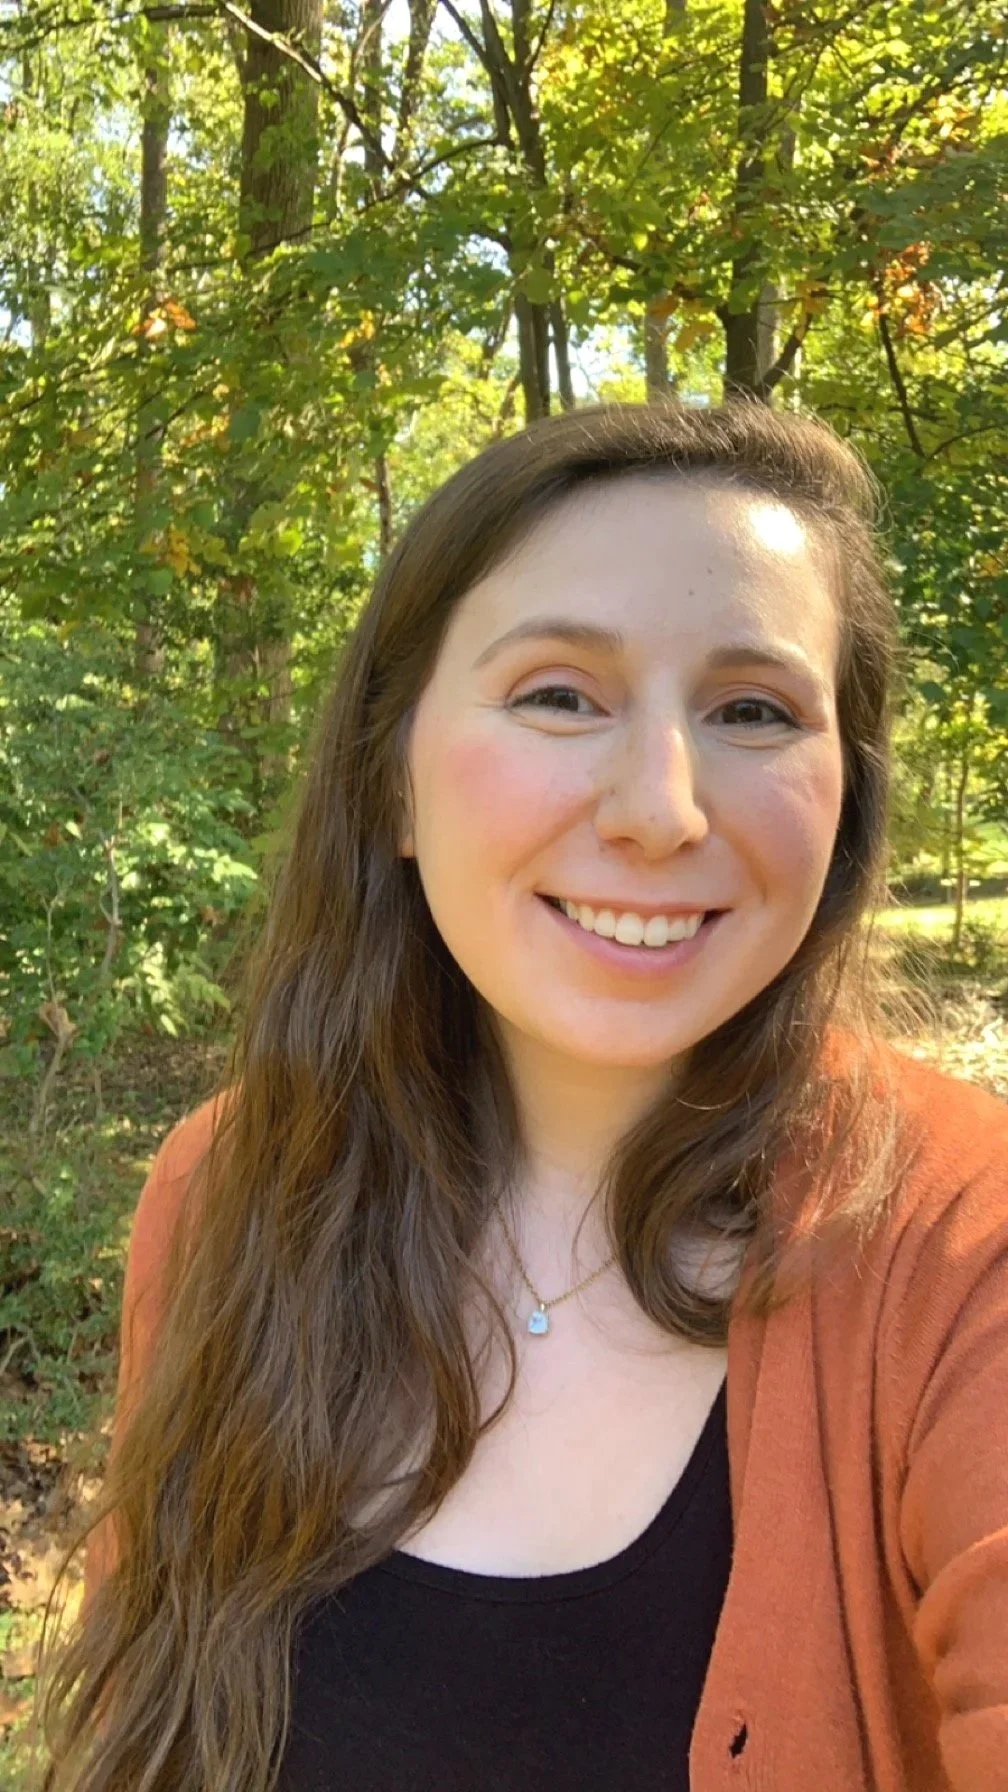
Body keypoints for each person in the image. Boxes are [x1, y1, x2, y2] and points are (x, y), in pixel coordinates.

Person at [34, 401, 1008, 1792]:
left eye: (753, 710)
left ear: (843, 801)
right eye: (561, 693)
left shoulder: (965, 1261)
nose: (662, 808)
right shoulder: (226, 1188)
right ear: (394, 780)